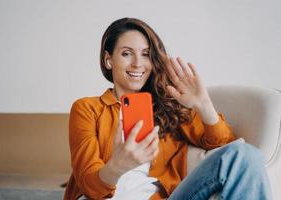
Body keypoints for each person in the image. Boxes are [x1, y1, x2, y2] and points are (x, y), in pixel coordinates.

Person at [63, 17, 272, 200]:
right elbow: (88, 184)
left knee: (246, 154)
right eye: (127, 53)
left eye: (146, 54)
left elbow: (226, 148)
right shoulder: (87, 109)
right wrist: (117, 165)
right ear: (108, 60)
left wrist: (204, 105)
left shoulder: (168, 106)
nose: (138, 63)